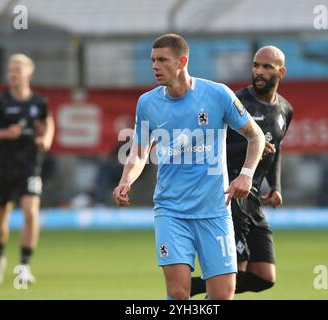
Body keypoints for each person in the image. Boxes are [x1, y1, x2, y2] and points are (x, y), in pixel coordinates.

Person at [112, 34, 265, 300]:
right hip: (171, 211)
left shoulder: (217, 94)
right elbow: (138, 151)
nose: (155, 66)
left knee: (222, 295)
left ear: (182, 61)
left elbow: (256, 135)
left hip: (215, 211)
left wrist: (246, 175)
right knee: (179, 292)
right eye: (152, 60)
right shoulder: (147, 103)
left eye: (162, 60)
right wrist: (126, 180)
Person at [190, 46, 293, 297]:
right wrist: (251, 146)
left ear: (281, 72)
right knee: (232, 273)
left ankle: (189, 286)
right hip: (230, 194)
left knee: (264, 277)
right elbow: (209, 146)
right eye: (256, 65)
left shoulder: (285, 110)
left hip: (254, 198)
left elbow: (275, 150)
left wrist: (275, 186)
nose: (259, 71)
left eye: (267, 67)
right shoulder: (236, 102)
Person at [0, 53, 55, 284]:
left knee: (31, 213)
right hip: (3, 165)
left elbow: (48, 121)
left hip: (30, 165)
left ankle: (24, 266)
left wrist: (47, 138)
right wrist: (4, 133)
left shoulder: (38, 102)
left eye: (17, 70)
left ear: (28, 74)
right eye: (10, 70)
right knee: (1, 216)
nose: (12, 74)